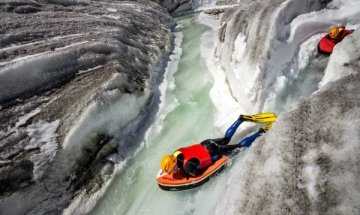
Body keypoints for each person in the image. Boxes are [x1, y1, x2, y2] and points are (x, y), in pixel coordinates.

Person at [160, 114, 275, 177]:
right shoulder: (176, 152)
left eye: (172, 169)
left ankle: (261, 132)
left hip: (213, 152)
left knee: (239, 147)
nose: (173, 172)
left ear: (174, 164)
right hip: (206, 143)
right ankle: (240, 119)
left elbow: (197, 175)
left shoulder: (187, 167)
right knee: (226, 139)